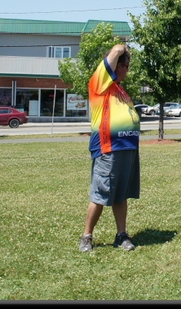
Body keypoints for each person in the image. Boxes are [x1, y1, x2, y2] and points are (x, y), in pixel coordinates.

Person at [80, 43, 140, 252]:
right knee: (100, 194)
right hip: (108, 149)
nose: (127, 69)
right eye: (125, 64)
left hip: (127, 149)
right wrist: (122, 47)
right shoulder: (100, 84)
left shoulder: (120, 90)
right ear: (116, 65)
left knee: (120, 194)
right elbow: (114, 52)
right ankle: (87, 236)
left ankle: (121, 235)